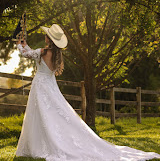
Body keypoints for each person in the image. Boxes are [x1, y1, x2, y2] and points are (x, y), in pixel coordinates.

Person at [16, 24, 160, 161]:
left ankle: (40, 144)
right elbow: (29, 52)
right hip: (50, 85)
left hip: (41, 86)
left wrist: (19, 43)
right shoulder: (54, 54)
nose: (45, 36)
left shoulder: (43, 52)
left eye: (46, 35)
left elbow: (25, 54)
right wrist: (25, 44)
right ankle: (45, 141)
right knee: (50, 113)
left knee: (42, 113)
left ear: (49, 39)